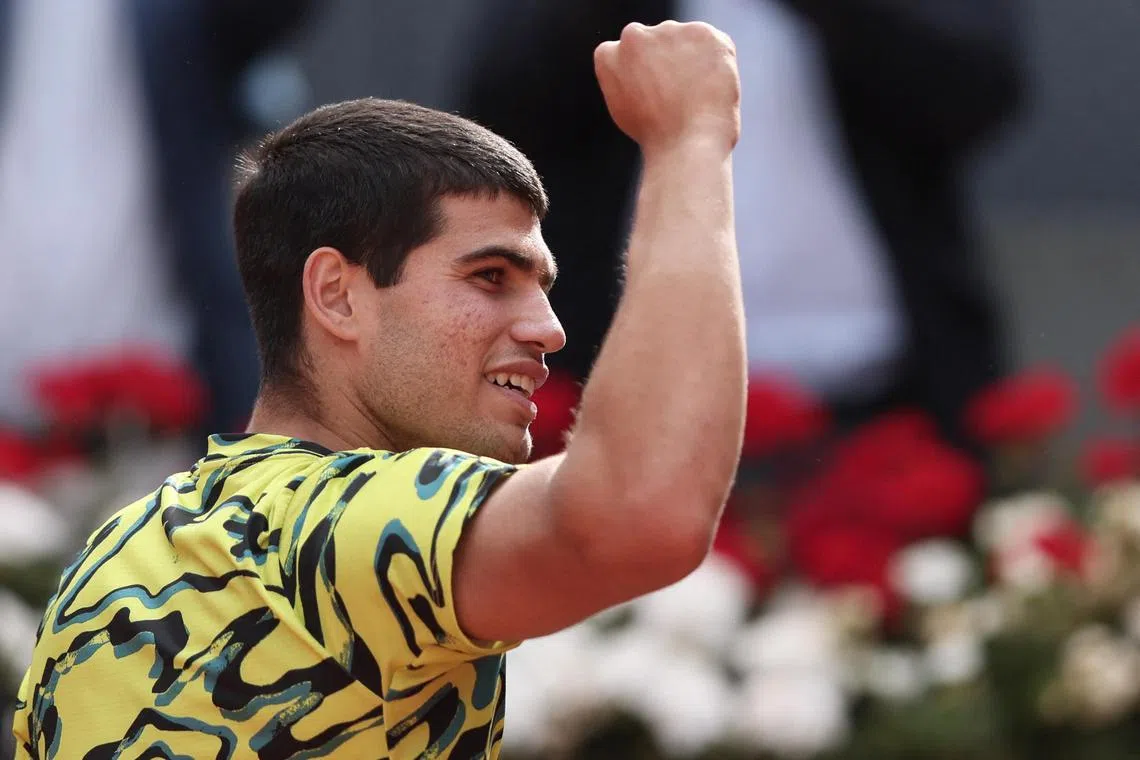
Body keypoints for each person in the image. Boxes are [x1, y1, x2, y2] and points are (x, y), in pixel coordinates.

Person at [12, 20, 745, 760]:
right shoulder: (347, 523)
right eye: (491, 276)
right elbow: (644, 512)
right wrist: (689, 142)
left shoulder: (108, 559)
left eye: (542, 288)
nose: (549, 329)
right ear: (336, 296)